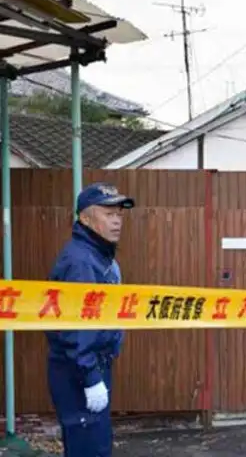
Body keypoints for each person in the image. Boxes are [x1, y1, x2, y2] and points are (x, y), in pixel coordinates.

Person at [45, 182, 135, 457]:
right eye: (108, 214)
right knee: (88, 447)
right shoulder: (81, 262)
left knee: (96, 443)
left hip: (94, 363)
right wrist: (91, 376)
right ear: (85, 218)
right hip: (80, 369)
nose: (117, 220)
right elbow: (77, 327)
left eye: (119, 214)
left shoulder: (98, 254)